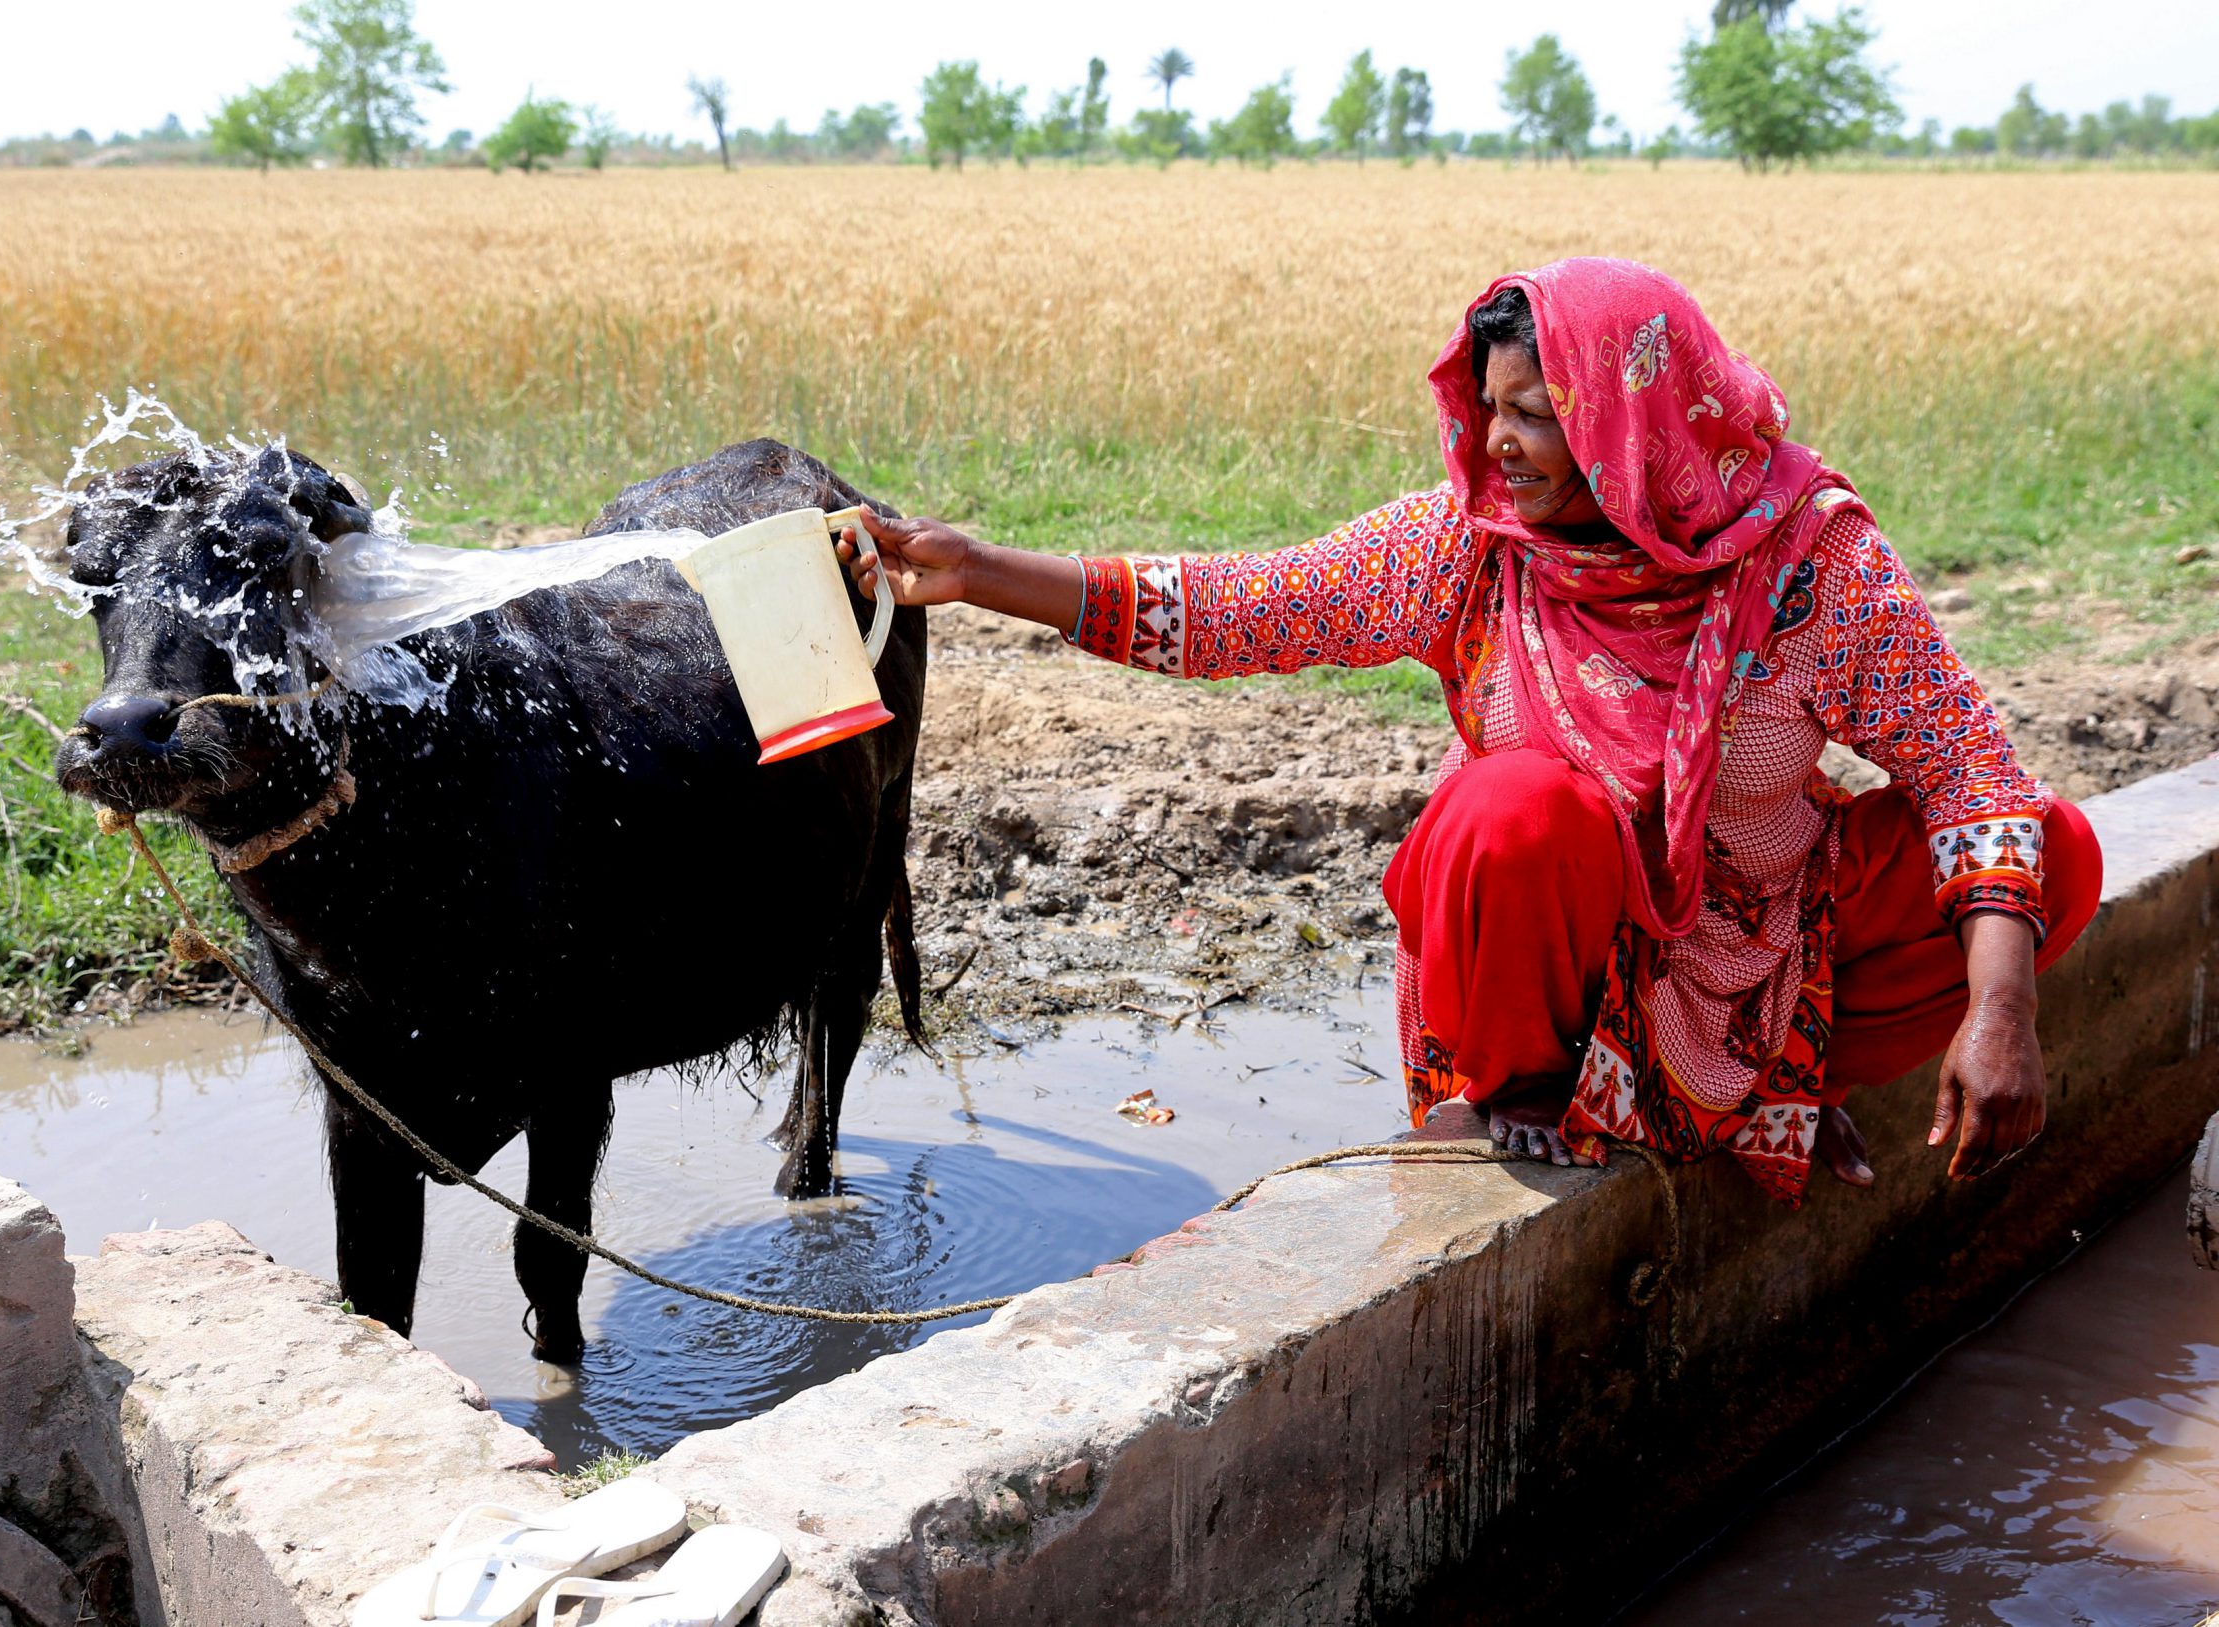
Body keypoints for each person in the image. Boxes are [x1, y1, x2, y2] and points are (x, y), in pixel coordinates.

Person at [834, 257, 2101, 1201]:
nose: (1500, 442)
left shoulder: (1804, 559)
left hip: (1752, 948)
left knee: (2050, 850)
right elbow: (1241, 606)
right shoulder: (1471, 549)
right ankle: (1524, 1099)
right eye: (1491, 406)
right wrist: (980, 568)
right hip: (1544, 964)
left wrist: (2002, 1014)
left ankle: (1769, 1083)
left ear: (1637, 421)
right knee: (1511, 808)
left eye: (1539, 412)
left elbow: (1967, 771)